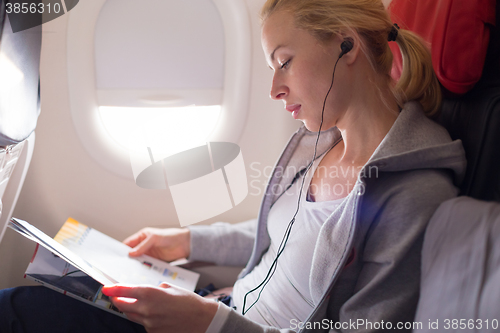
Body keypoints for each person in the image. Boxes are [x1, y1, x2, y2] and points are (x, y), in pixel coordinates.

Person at [0, 0, 466, 332]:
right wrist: (184, 241)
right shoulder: (326, 147)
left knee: (19, 310)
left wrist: (212, 324)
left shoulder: (414, 196)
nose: (274, 89)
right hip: (223, 308)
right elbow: (284, 237)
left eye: (284, 62)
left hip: (221, 322)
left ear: (346, 47)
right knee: (55, 287)